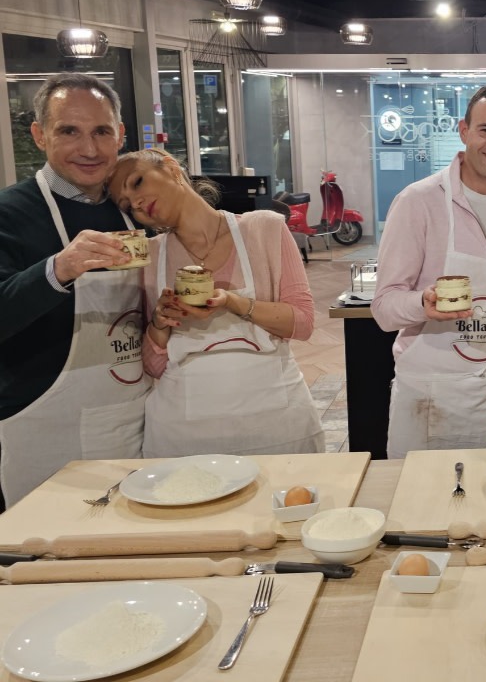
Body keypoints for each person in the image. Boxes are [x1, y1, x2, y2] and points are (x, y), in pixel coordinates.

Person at [107, 149, 323, 457]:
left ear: (170, 168)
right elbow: (154, 367)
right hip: (184, 436)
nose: (137, 203)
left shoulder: (264, 228)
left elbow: (302, 323)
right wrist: (159, 323)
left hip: (277, 426)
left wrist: (233, 302)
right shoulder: (147, 256)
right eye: (127, 205)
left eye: (138, 182)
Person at [0, 74, 145, 509]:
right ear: (39, 135)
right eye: (69, 131)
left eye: (101, 131)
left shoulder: (136, 209)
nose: (89, 149)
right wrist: (59, 268)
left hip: (134, 417)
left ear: (120, 135)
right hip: (42, 423)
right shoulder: (9, 214)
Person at [374, 84, 486, 457]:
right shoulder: (418, 202)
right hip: (433, 395)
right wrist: (423, 303)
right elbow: (383, 308)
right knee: (425, 504)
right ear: (463, 131)